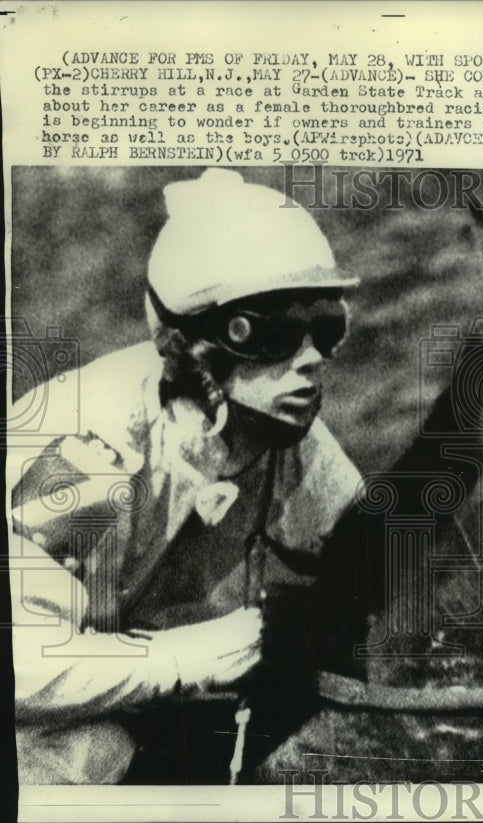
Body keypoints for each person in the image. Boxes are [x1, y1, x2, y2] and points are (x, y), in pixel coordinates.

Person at [8, 168, 363, 784]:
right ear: (195, 345)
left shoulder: (308, 455)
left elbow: (396, 593)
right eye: (275, 331)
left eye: (327, 325)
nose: (309, 359)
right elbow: (21, 666)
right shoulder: (93, 443)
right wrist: (186, 657)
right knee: (88, 753)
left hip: (157, 721)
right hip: (44, 738)